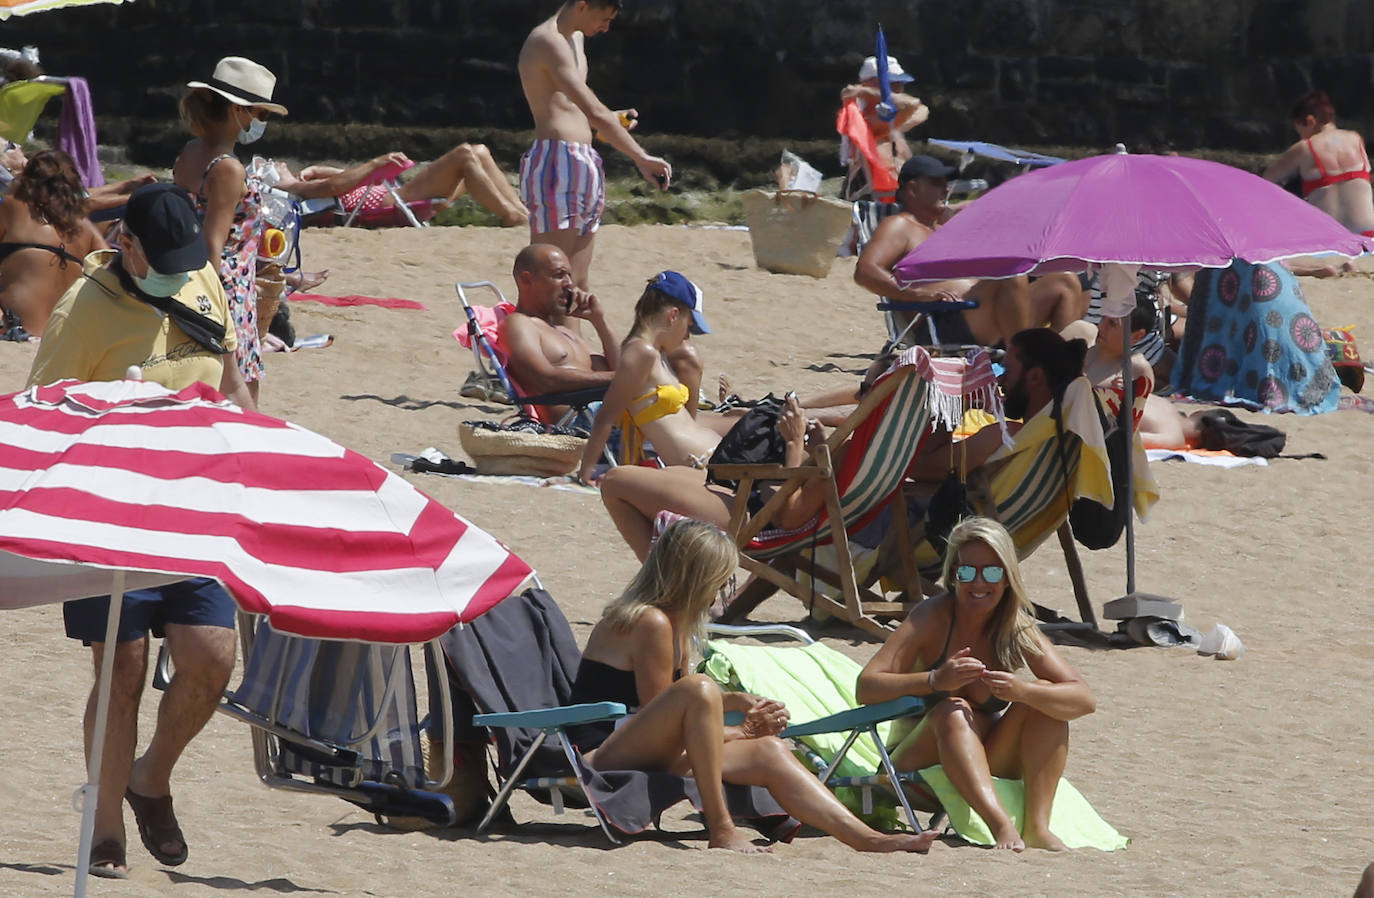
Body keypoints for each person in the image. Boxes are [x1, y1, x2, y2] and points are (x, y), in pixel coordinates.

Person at [26, 182, 249, 879]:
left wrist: (255, 450)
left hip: (193, 500)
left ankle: (149, 777)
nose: (186, 272)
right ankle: (105, 826)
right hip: (108, 506)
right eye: (169, 260)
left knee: (212, 659)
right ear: (127, 243)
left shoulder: (196, 271)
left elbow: (233, 380)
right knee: (119, 669)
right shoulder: (81, 312)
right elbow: (43, 416)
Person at [573, 518, 939, 854]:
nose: (723, 589)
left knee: (770, 750)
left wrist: (736, 705)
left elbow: (674, 715)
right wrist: (741, 729)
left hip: (647, 747)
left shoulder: (676, 623)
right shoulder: (650, 622)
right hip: (600, 754)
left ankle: (865, 838)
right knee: (701, 689)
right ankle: (722, 830)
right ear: (694, 576)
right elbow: (667, 723)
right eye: (723, 579)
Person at [855, 516, 1096, 851]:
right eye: (967, 571)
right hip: (914, 764)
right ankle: (1001, 827)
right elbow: (866, 687)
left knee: (1044, 704)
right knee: (953, 709)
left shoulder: (1014, 625)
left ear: (1008, 577)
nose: (979, 582)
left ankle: (1037, 828)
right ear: (954, 574)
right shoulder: (932, 617)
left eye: (993, 571)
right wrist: (935, 680)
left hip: (982, 759)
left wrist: (1023, 690)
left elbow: (1083, 699)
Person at [855, 155, 1087, 348]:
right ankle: (1021, 365)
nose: (946, 189)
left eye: (946, 183)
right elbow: (866, 270)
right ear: (913, 188)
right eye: (937, 182)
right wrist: (917, 295)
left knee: (1065, 282)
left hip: (988, 312)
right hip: (943, 320)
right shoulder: (901, 225)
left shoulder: (942, 229)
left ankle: (1058, 370)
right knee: (1009, 275)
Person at [518, 0, 672, 290]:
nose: (606, 27)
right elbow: (594, 112)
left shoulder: (575, 39)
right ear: (582, 5)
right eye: (603, 18)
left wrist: (612, 123)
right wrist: (640, 157)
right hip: (556, 159)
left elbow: (576, 109)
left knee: (576, 284)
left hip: (584, 161)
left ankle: (574, 338)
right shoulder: (547, 41)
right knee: (549, 283)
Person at [173, 56, 285, 404]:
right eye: (260, 114)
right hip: (227, 287)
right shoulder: (228, 168)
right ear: (239, 111)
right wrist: (216, 305)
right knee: (240, 383)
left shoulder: (192, 151)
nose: (260, 122)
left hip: (189, 276)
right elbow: (214, 240)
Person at [576, 271, 722, 482]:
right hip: (703, 465)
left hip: (711, 456)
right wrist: (585, 474)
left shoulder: (653, 353)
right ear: (673, 315)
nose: (687, 335)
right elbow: (606, 415)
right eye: (688, 325)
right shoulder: (641, 352)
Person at [496, 242, 620, 419]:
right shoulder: (519, 325)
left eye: (569, 275)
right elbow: (544, 380)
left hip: (608, 417)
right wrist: (619, 378)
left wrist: (599, 321)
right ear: (526, 279)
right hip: (581, 422)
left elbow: (621, 368)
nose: (569, 284)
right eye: (559, 275)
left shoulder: (565, 333)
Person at [264, 146, 528, 227]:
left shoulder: (306, 184)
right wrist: (377, 160)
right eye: (272, 165)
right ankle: (509, 214)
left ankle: (519, 212)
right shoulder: (294, 190)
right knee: (464, 156)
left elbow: (347, 178)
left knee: (479, 151)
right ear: (274, 180)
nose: (277, 161)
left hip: (397, 197)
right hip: (393, 201)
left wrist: (317, 170)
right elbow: (337, 186)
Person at [0, 149, 106, 340]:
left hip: (14, 331)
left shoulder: (12, 207)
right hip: (61, 339)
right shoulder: (87, 228)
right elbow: (113, 273)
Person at [1263, 90, 1374, 237]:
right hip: (1367, 238)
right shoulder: (1356, 139)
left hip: (1328, 240)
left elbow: (1263, 183)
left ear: (1310, 121)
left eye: (1300, 130)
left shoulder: (1304, 148)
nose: (1301, 136)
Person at [839, 54, 930, 201]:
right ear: (871, 85)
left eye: (901, 84)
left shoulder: (892, 122)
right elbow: (912, 104)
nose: (900, 89)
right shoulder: (865, 122)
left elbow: (922, 110)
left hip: (893, 201)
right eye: (893, 85)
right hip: (873, 208)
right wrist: (867, 92)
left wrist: (896, 126)